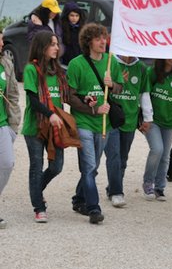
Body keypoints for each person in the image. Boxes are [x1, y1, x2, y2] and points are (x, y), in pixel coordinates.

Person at [66, 23, 123, 224]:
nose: (103, 42)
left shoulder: (110, 62)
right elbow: (70, 97)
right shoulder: (76, 64)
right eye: (98, 38)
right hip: (83, 123)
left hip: (103, 125)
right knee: (90, 166)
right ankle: (93, 208)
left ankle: (79, 198)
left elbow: (119, 88)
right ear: (88, 41)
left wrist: (112, 85)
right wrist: (93, 109)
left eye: (105, 38)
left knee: (93, 166)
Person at [23, 32, 68, 222]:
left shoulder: (58, 70)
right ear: (42, 47)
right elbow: (33, 101)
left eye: (57, 44)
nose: (57, 48)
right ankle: (39, 207)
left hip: (55, 127)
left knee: (56, 166)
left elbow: (67, 95)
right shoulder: (31, 69)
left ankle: (36, 190)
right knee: (36, 165)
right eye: (52, 44)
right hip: (35, 126)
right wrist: (50, 115)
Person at [142, 59, 172, 202]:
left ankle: (159, 187)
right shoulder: (152, 72)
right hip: (153, 120)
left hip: (170, 122)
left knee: (165, 155)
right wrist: (145, 117)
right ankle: (148, 183)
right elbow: (144, 94)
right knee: (157, 149)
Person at [110, 55, 152, 207]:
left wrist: (147, 117)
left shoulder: (141, 67)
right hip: (111, 118)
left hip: (130, 119)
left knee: (123, 157)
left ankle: (114, 185)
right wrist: (116, 82)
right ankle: (116, 191)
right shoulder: (111, 62)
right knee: (113, 156)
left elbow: (143, 94)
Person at [0, 30, 21, 229]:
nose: (1, 44)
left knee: (7, 163)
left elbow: (13, 93)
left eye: (0, 39)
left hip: (2, 123)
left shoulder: (6, 63)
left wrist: (14, 125)